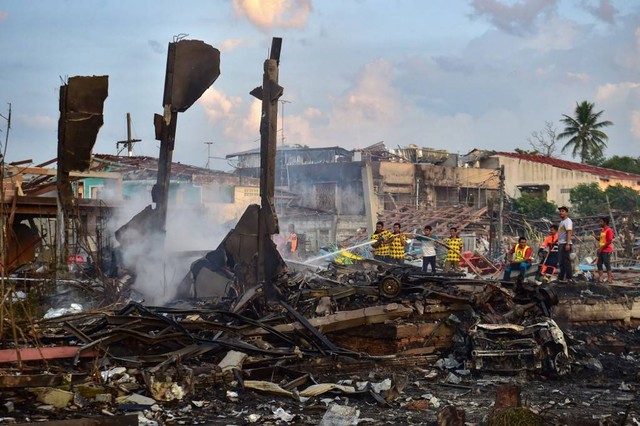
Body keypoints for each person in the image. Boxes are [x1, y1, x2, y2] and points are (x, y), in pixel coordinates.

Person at [557, 206, 574, 283]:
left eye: (563, 211)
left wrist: (568, 243)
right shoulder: (561, 222)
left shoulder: (568, 221)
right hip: (561, 243)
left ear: (566, 213)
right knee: (561, 261)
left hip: (565, 244)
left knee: (566, 262)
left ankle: (569, 278)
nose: (561, 212)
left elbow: (569, 232)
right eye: (560, 211)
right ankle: (561, 277)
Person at [595, 216, 614, 283]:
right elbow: (600, 239)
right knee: (599, 263)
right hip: (601, 249)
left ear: (605, 222)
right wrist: (595, 236)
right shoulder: (603, 230)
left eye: (601, 222)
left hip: (607, 250)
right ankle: (601, 277)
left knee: (607, 263)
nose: (600, 223)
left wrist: (602, 247)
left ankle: (609, 278)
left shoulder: (609, 230)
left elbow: (609, 241)